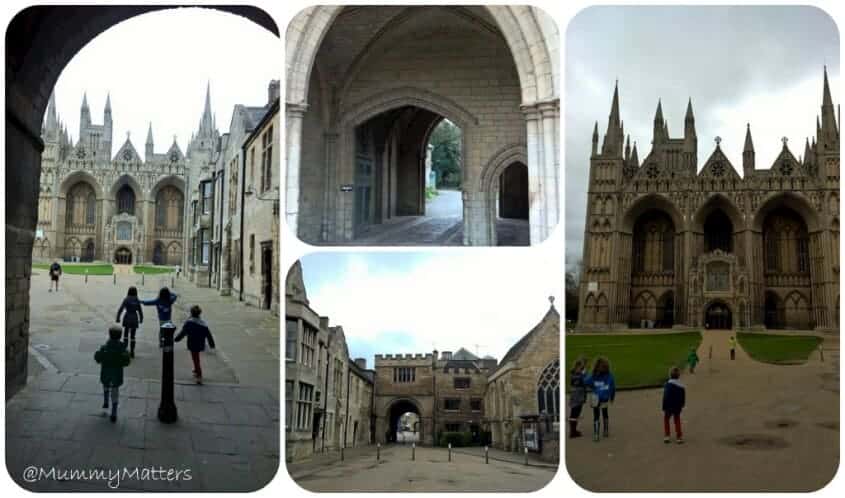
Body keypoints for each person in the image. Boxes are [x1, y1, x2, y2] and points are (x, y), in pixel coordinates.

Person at [94, 326, 131, 423]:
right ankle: (114, 413)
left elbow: (97, 358)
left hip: (106, 372)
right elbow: (127, 362)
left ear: (109, 335)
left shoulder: (104, 348)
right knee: (115, 391)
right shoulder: (123, 350)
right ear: (120, 336)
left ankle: (106, 401)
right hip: (117, 374)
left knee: (105, 385)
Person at [174, 305, 216, 384]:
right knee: (195, 357)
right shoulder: (203, 324)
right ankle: (196, 370)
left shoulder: (189, 323)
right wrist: (212, 345)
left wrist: (176, 339)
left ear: (191, 313)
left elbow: (183, 333)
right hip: (200, 343)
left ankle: (199, 375)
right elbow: (209, 335)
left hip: (192, 343)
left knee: (196, 359)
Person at [586, 357, 616, 442]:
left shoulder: (593, 375)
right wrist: (612, 397)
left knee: (596, 415)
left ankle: (596, 434)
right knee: (605, 413)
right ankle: (605, 431)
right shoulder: (609, 376)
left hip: (595, 397)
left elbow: (586, 382)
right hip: (604, 397)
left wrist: (589, 375)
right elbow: (613, 387)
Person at [115, 287, 143, 357]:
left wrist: (118, 317)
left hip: (127, 316)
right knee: (133, 336)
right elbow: (140, 310)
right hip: (134, 317)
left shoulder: (126, 299)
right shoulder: (137, 300)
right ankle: (132, 351)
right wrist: (141, 318)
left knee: (125, 335)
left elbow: (121, 309)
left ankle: (125, 350)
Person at [662, 366, 686, 444]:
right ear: (678, 375)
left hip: (668, 406)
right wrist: (682, 405)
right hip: (677, 406)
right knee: (677, 420)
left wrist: (664, 406)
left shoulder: (667, 385)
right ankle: (679, 437)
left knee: (666, 420)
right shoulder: (681, 386)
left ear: (670, 375)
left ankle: (667, 436)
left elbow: (665, 397)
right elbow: (683, 397)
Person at [569, 357, 588, 438]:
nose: (583, 368)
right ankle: (573, 432)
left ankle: (573, 430)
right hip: (577, 396)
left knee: (575, 413)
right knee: (575, 413)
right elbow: (580, 382)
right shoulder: (576, 375)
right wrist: (583, 375)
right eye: (582, 366)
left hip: (577, 395)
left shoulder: (575, 373)